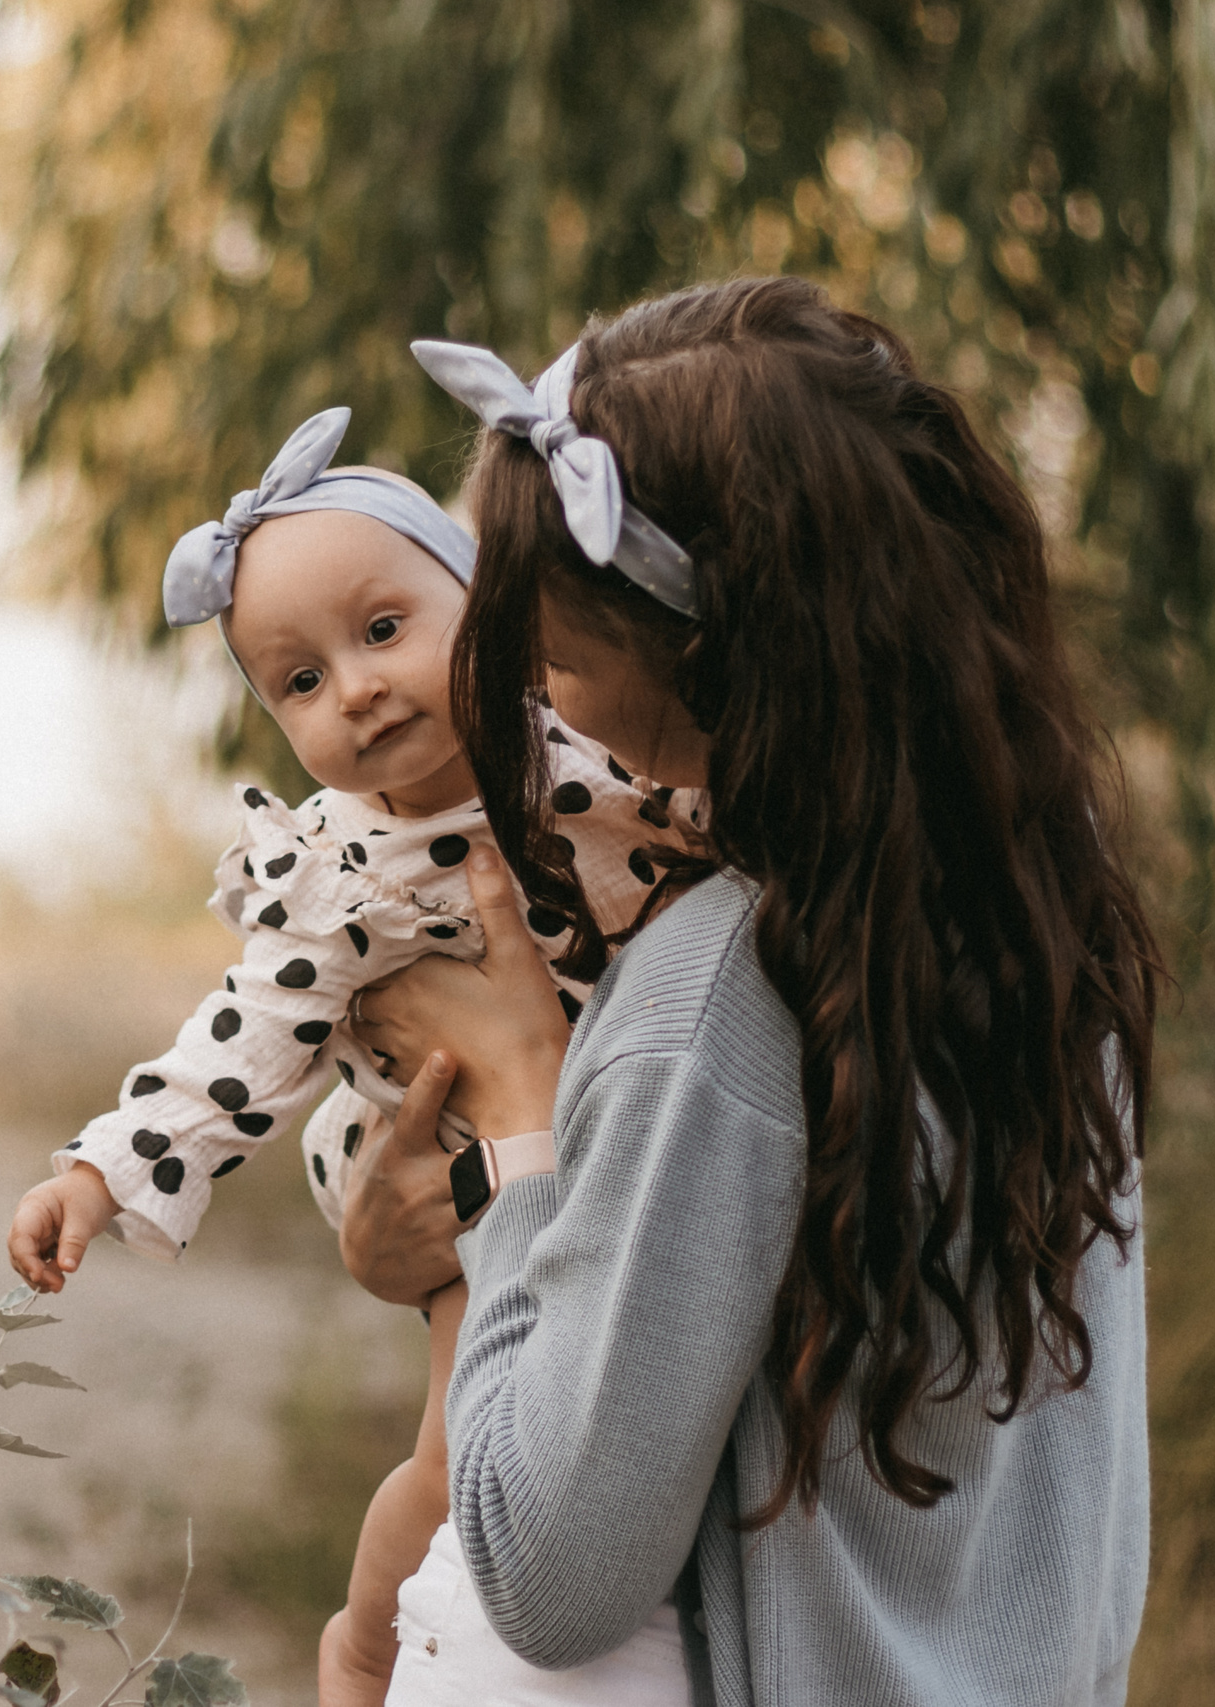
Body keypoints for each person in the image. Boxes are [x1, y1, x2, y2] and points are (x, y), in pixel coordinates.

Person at [342, 275, 1163, 1705]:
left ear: (715, 662)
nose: (530, 699)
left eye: (560, 661)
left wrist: (525, 1124)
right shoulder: (1043, 900)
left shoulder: (723, 995)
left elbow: (547, 1573)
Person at [1, 405, 705, 1707]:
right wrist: (97, 1177)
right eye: (303, 682)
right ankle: (367, 1647)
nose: (358, 689)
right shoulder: (337, 879)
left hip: (599, 1119)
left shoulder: (587, 748)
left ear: (487, 611)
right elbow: (241, 1040)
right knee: (464, 1458)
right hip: (445, 1157)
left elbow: (696, 834)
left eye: (383, 631)